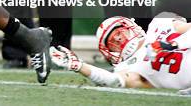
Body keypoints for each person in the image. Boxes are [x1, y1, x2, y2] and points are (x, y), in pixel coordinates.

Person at [50, 13, 191, 92]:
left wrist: (172, 44)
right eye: (111, 41)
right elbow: (114, 81)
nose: (117, 38)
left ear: (131, 26)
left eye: (118, 31)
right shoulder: (127, 67)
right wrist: (78, 66)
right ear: (109, 52)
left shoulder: (159, 24)